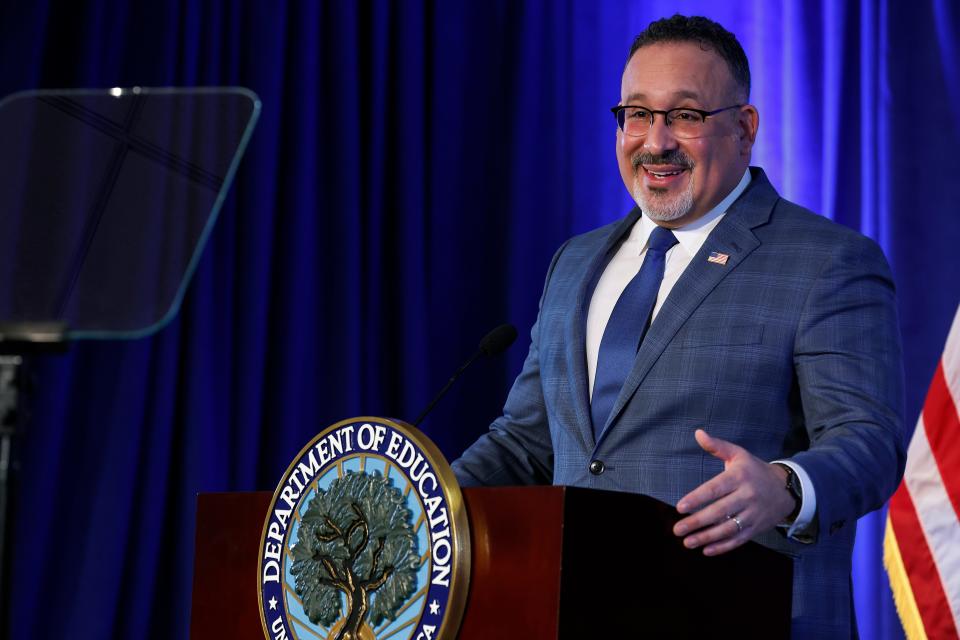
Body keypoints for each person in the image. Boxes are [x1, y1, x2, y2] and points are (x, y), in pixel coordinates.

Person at [451, 14, 905, 638]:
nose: (655, 139)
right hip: (567, 614)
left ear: (745, 128)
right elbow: (529, 442)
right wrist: (418, 508)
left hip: (745, 615)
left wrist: (787, 486)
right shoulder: (575, 261)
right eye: (636, 113)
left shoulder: (825, 260)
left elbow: (870, 442)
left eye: (684, 116)